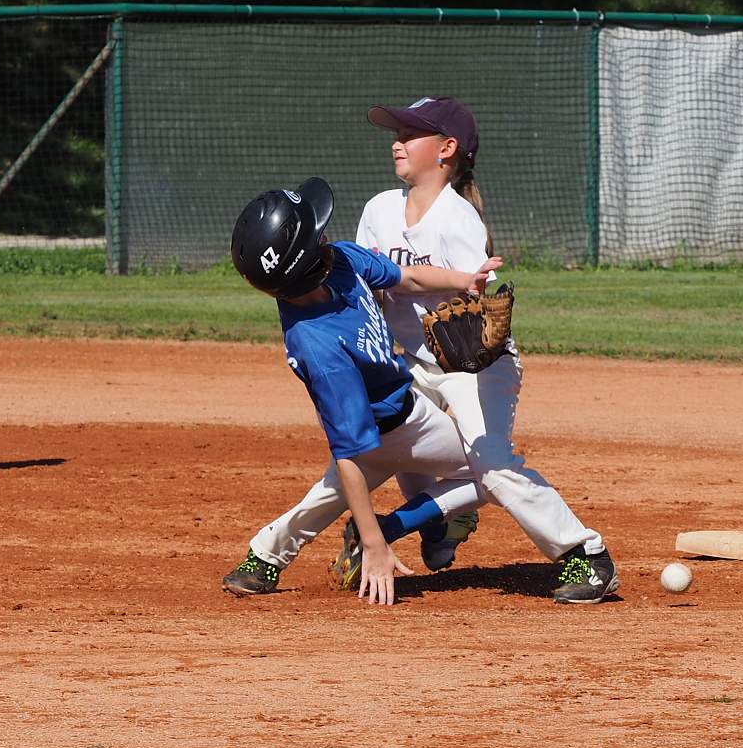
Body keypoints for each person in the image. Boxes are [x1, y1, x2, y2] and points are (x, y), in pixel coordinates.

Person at [354, 95, 617, 605]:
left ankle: (587, 555)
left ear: (446, 149)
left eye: (410, 134)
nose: (397, 143)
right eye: (397, 134)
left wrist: (464, 294)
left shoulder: (458, 219)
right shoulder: (378, 209)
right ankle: (437, 524)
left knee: (492, 463)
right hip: (413, 361)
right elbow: (371, 285)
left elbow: (477, 305)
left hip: (473, 363)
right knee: (399, 436)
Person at [221, 177, 500, 606]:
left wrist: (464, 280)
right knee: (494, 473)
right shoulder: (318, 347)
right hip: (401, 426)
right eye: (317, 236)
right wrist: (375, 540)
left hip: (396, 414)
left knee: (324, 498)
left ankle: (263, 558)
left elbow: (406, 276)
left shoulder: (343, 261)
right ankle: (400, 526)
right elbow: (349, 452)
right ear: (305, 262)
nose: (325, 237)